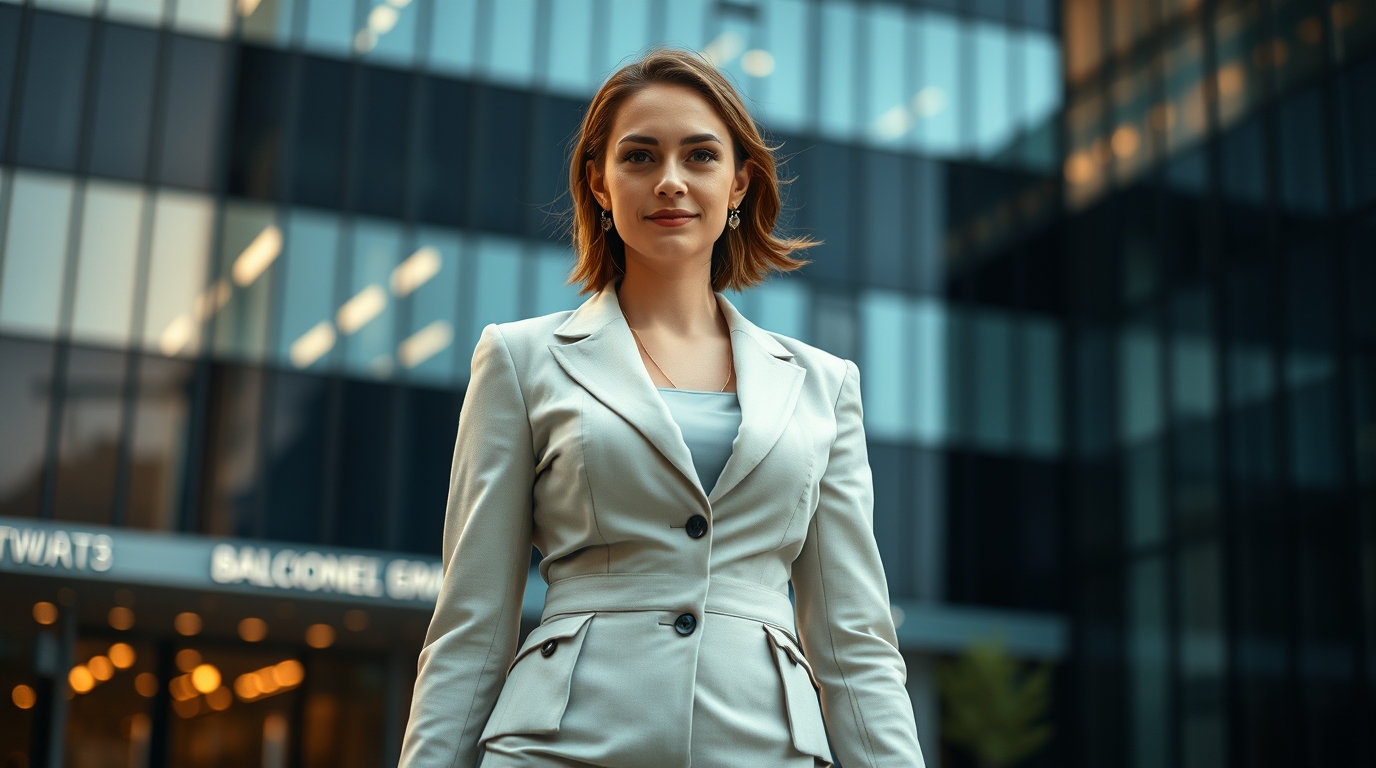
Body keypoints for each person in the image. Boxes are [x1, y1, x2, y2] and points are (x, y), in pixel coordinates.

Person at [398, 48, 924, 768]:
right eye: (640, 157)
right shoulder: (520, 360)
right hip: (558, 750)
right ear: (601, 183)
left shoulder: (820, 383)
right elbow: (472, 623)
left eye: (700, 156)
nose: (670, 181)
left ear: (739, 182)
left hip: (763, 749)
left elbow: (855, 640)